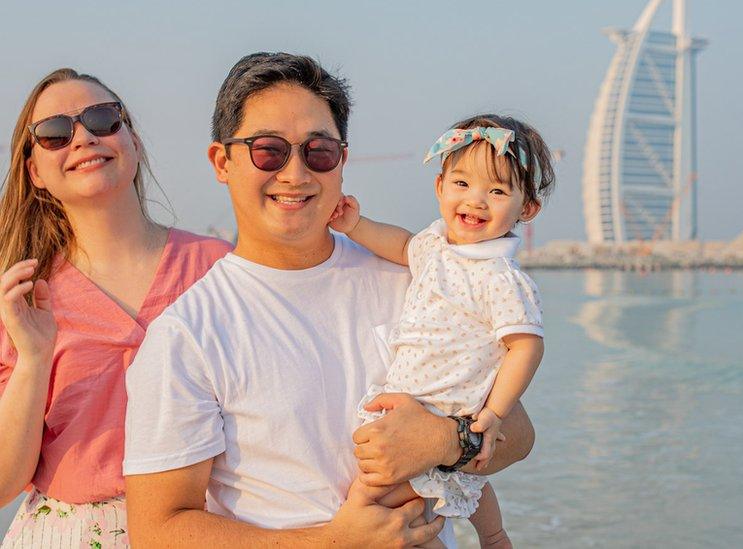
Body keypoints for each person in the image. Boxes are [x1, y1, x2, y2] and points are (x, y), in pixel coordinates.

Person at [122, 52, 534, 548]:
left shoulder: (417, 279)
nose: (295, 173)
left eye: (318, 151)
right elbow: (157, 530)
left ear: (341, 160)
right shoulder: (187, 335)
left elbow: (521, 435)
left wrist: (444, 440)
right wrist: (333, 541)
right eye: (268, 150)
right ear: (222, 161)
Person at [0, 69, 230, 548]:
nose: (83, 138)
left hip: (209, 528)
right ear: (35, 172)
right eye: (55, 134)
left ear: (134, 142)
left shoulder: (220, 268)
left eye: (103, 119)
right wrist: (35, 359)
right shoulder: (20, 299)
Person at [328, 114, 553, 548]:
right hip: (413, 399)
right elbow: (400, 246)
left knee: (380, 496)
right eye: (462, 184)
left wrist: (493, 414)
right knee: (446, 489)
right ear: (440, 187)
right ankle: (494, 535)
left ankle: (492, 534)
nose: (476, 201)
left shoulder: (499, 275)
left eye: (498, 190)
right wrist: (356, 226)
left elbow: (526, 346)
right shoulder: (434, 246)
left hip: (452, 404)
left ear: (527, 208)